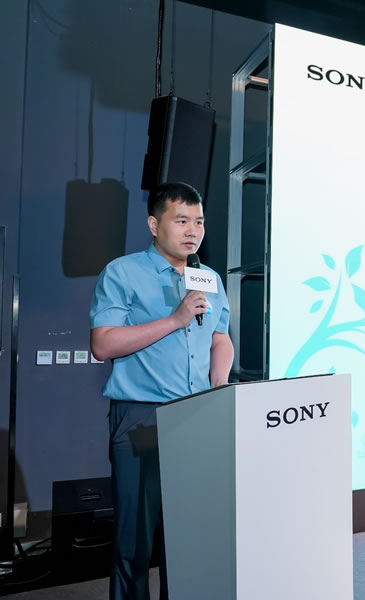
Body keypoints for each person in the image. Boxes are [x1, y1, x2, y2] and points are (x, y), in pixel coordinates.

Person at [89, 182, 234, 600]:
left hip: (198, 414)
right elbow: (102, 344)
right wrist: (174, 320)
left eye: (199, 222)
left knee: (189, 535)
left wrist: (219, 385)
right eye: (181, 220)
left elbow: (220, 337)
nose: (193, 231)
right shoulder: (123, 272)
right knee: (135, 540)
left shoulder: (208, 278)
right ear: (154, 225)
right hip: (142, 417)